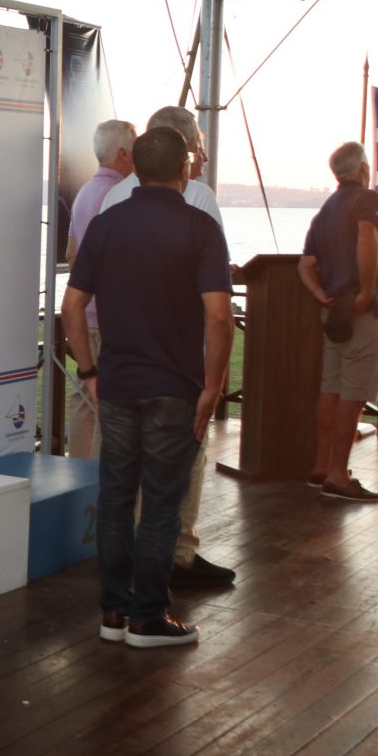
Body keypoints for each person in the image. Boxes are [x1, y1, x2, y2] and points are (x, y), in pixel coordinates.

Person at [63, 126, 233, 648]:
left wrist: (89, 373)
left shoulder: (107, 223)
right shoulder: (201, 227)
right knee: (160, 504)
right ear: (185, 169)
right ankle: (148, 618)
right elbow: (219, 317)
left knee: (116, 499)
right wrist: (213, 386)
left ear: (135, 168)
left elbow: (71, 306)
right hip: (175, 386)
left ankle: (113, 613)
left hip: (117, 383)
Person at [100, 104, 234, 587]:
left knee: (123, 476)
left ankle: (121, 587)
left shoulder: (115, 196)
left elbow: (88, 288)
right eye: (197, 150)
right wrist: (213, 382)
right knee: (182, 461)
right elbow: (216, 301)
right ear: (184, 154)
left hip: (121, 358)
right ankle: (177, 556)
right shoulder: (198, 199)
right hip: (177, 359)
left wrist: (92, 370)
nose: (199, 160)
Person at [298, 141, 378, 501]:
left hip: (333, 311)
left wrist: (321, 295)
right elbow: (367, 239)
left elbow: (306, 265)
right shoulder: (369, 200)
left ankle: (322, 467)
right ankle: (338, 474)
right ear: (363, 168)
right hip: (361, 313)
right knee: (354, 394)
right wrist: (366, 292)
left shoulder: (326, 210)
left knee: (331, 388)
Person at [64, 119, 136, 459]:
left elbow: (72, 254)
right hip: (110, 317)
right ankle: (100, 481)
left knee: (84, 397)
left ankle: (78, 476)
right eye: (136, 146)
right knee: (110, 405)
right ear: (123, 153)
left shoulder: (84, 192)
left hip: (84, 314)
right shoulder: (121, 195)